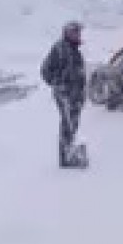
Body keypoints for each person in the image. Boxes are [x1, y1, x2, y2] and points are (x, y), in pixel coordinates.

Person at [40, 21, 88, 167]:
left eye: (79, 32)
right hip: (65, 94)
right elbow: (45, 70)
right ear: (67, 33)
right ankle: (66, 158)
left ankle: (70, 151)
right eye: (76, 32)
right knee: (67, 124)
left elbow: (78, 72)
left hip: (75, 95)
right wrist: (59, 84)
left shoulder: (74, 49)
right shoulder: (59, 48)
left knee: (73, 124)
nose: (78, 34)